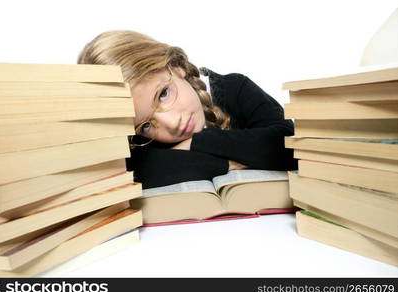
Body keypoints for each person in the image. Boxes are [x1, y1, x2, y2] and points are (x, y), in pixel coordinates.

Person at [78, 30, 297, 189]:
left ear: (176, 66)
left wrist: (196, 143)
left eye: (163, 94)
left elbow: (289, 145)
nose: (172, 123)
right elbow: (133, 172)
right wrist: (234, 161)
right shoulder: (138, 145)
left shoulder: (235, 88)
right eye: (145, 126)